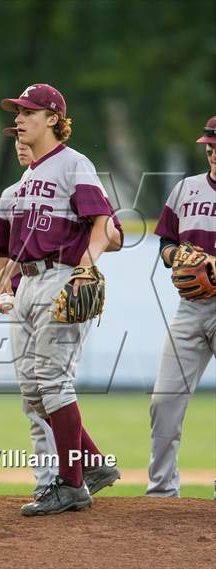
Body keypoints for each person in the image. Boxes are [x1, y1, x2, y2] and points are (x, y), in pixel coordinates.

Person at [0, 84, 123, 516]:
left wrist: (86, 265)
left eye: (28, 112)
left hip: (60, 276)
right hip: (28, 283)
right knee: (33, 391)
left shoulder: (73, 163)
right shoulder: (28, 176)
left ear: (52, 118)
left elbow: (105, 221)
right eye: (18, 112)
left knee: (51, 381)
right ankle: (91, 464)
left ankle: (71, 484)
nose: (19, 119)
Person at [146, 116, 216, 497]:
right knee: (164, 400)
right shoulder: (186, 189)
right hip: (190, 308)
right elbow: (165, 245)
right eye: (209, 144)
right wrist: (179, 256)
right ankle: (161, 493)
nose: (212, 150)